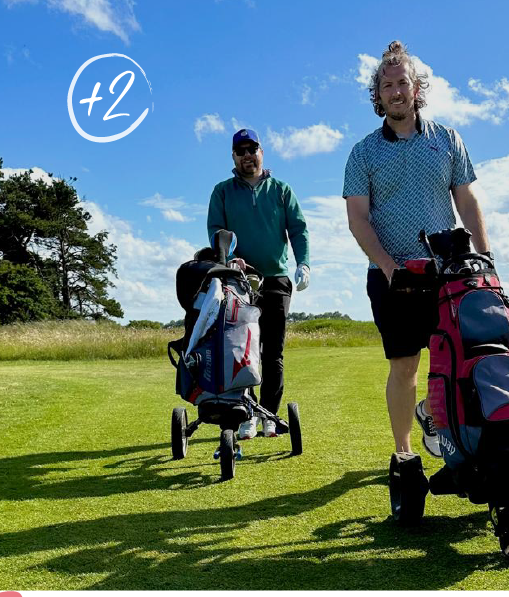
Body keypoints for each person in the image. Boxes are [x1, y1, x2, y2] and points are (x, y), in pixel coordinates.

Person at [343, 40, 491, 458]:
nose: (395, 91)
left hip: (448, 273)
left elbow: (467, 200)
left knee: (461, 359)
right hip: (392, 279)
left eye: (402, 82)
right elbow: (358, 219)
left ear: (416, 88)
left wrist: (485, 258)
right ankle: (405, 452)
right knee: (405, 366)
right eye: (386, 85)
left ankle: (455, 432)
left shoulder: (447, 140)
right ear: (378, 95)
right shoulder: (362, 153)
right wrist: (389, 267)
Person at [208, 128, 311, 439]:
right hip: (240, 281)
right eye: (241, 151)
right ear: (234, 157)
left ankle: (270, 414)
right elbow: (217, 232)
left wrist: (303, 262)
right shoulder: (223, 192)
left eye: (252, 149)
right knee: (243, 350)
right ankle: (247, 414)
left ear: (261, 152)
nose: (247, 156)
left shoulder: (281, 190)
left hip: (276, 279)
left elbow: (298, 229)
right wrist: (230, 258)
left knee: (273, 352)